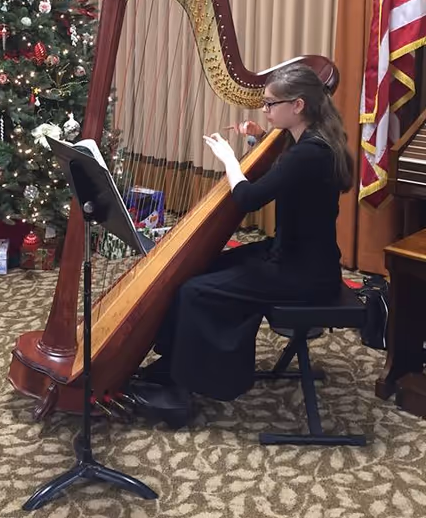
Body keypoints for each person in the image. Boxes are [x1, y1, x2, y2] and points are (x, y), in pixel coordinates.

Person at [136, 63, 354, 403]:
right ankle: (178, 361)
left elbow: (249, 198)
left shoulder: (310, 152)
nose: (264, 110)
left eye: (270, 104)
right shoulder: (310, 140)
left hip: (302, 273)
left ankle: (186, 382)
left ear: (298, 106)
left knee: (196, 290)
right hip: (294, 254)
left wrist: (229, 160)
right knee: (204, 266)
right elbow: (285, 174)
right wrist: (256, 141)